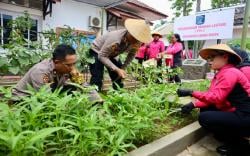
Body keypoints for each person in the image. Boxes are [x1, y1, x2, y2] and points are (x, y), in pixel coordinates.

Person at [177, 44, 250, 156]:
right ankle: (234, 138)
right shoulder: (225, 72)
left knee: (205, 118)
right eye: (208, 58)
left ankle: (240, 145)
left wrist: (191, 92)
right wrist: (193, 104)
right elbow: (212, 96)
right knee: (206, 110)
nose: (209, 61)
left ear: (225, 57)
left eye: (212, 57)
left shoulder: (229, 73)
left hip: (246, 116)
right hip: (241, 112)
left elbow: (217, 97)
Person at [11, 44, 103, 103]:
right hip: (22, 98)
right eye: (69, 65)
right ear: (57, 62)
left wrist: (98, 100)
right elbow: (45, 98)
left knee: (73, 86)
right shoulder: (41, 71)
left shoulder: (68, 69)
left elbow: (84, 85)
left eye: (74, 64)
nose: (73, 68)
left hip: (43, 95)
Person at [89, 19, 151, 91]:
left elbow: (131, 55)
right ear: (129, 32)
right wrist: (116, 69)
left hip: (112, 53)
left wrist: (122, 68)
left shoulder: (137, 41)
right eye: (134, 37)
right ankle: (95, 97)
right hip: (97, 51)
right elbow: (101, 56)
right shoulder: (115, 38)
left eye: (137, 39)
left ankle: (118, 95)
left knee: (118, 75)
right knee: (97, 76)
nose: (135, 41)